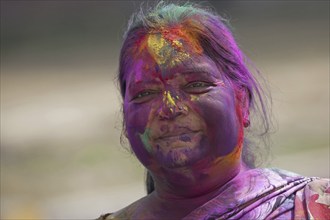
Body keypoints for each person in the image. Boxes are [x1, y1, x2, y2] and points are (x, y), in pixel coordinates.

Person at [98, 2, 329, 219]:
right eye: (145, 94)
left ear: (242, 102)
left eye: (196, 85)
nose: (169, 108)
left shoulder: (316, 206)